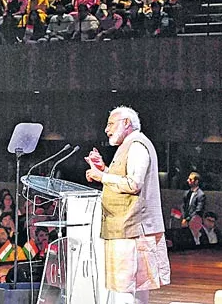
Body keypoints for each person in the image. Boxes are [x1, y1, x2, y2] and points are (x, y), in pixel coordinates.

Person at [85, 106, 170, 304]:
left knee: (126, 288)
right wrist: (104, 169)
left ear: (126, 123)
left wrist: (102, 176)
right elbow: (126, 179)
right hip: (129, 228)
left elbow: (133, 183)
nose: (107, 130)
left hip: (131, 229)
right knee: (136, 288)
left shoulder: (137, 145)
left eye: (111, 124)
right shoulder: (129, 145)